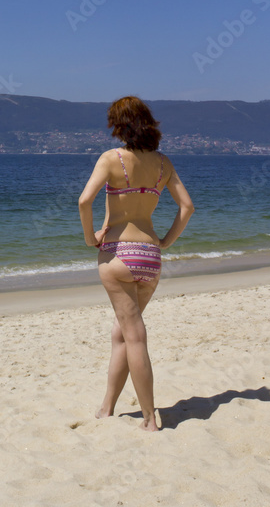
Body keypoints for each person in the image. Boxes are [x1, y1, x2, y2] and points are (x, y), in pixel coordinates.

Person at [78, 95, 194, 431]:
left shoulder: (111, 159)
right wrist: (165, 242)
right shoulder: (162, 163)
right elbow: (187, 208)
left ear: (119, 125)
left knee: (135, 336)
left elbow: (85, 200)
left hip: (118, 253)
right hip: (149, 257)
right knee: (123, 333)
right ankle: (107, 408)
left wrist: (90, 238)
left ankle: (149, 419)